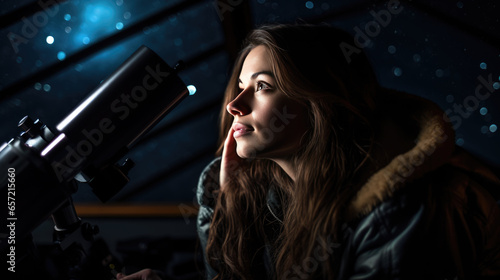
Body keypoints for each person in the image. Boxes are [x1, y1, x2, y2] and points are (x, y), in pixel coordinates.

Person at [119, 23, 500, 280]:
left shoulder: (410, 210)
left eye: (263, 87)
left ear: (321, 103)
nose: (235, 104)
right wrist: (226, 204)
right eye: (239, 85)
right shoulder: (257, 190)